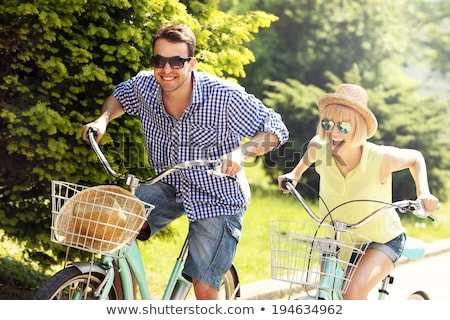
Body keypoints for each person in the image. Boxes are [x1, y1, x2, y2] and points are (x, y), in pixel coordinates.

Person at [82, 23, 289, 299]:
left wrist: (241, 153)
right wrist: (103, 120)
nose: (166, 70)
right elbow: (120, 96)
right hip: (167, 184)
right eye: (159, 60)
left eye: (176, 61)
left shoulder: (223, 97)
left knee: (203, 286)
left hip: (218, 195)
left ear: (191, 63)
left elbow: (276, 129)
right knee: (116, 228)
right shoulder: (145, 86)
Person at [277, 83, 439, 300]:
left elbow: (415, 158)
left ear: (359, 129)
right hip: (339, 239)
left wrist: (423, 193)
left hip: (381, 239)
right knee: (326, 293)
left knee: (352, 293)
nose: (332, 132)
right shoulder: (320, 148)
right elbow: (306, 160)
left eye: (342, 127)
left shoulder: (379, 158)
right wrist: (294, 175)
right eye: (327, 123)